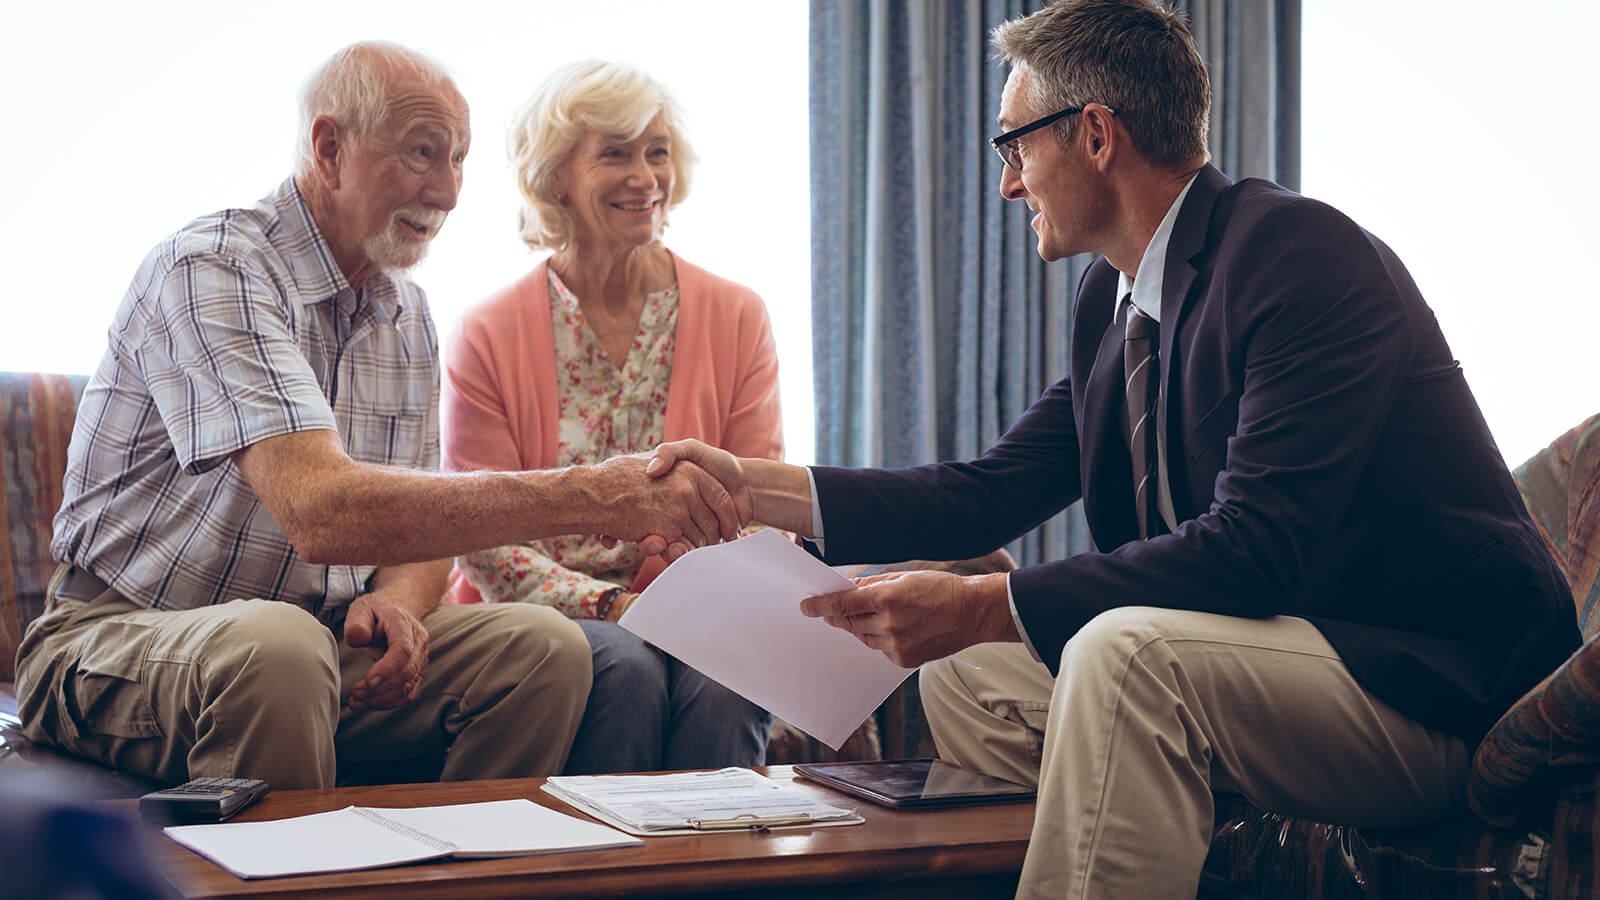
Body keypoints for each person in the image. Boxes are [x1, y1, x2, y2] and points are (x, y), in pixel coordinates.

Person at [644, 1, 1580, 896]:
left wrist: (986, 602)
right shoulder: (1116, 302)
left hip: (1429, 691)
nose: (1008, 181)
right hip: (1283, 668)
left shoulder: (1302, 257)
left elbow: (1257, 551)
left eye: (1015, 145)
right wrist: (749, 485)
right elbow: (982, 494)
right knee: (970, 678)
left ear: (1094, 135)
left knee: (1125, 657)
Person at [14, 41, 743, 792]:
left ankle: (475, 874)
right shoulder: (214, 268)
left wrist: (397, 603)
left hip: (318, 636)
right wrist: (598, 495)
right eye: (423, 154)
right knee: (279, 646)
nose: (450, 190)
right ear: (330, 148)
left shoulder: (407, 310)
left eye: (459, 159)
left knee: (548, 649)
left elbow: (425, 533)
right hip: (119, 634)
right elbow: (321, 513)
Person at [440, 60, 776, 773]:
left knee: (733, 679)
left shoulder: (738, 315)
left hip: (701, 604)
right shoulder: (486, 331)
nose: (645, 177)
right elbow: (482, 538)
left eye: (657, 152)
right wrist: (616, 608)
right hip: (547, 615)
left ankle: (715, 878)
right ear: (556, 174)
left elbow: (761, 503)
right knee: (623, 669)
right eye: (616, 153)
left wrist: (693, 603)